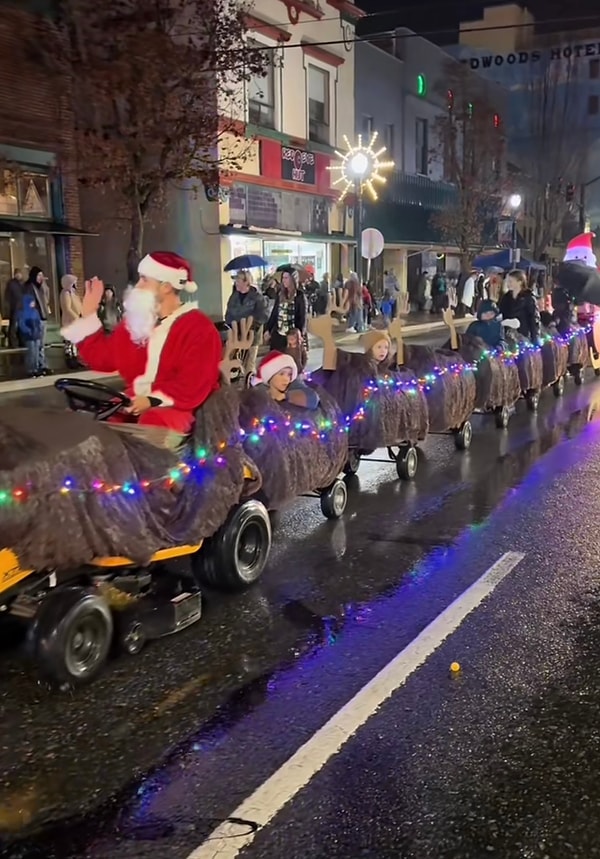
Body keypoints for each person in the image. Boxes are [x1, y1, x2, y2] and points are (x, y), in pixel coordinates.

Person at [60, 251, 221, 434]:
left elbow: (193, 384)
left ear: (166, 286)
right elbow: (104, 358)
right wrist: (88, 313)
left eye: (144, 280)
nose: (137, 286)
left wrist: (151, 400)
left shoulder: (198, 328)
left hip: (180, 406)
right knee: (94, 422)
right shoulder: (136, 324)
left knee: (152, 424)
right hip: (135, 399)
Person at [251, 350, 319, 410]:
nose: (286, 379)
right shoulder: (260, 390)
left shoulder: (293, 384)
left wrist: (285, 396)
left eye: (289, 374)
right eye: (281, 374)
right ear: (270, 376)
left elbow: (313, 399)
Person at [264, 268, 307, 352]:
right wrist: (268, 329)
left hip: (292, 336)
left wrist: (301, 334)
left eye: (286, 278)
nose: (284, 280)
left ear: (293, 279)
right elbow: (274, 314)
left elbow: (303, 317)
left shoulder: (299, 296)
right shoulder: (280, 294)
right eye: (283, 278)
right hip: (279, 335)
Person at [499, 269, 541, 344]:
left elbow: (534, 319)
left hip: (523, 335)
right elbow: (501, 313)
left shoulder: (528, 297)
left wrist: (535, 338)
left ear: (520, 282)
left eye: (511, 281)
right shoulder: (506, 297)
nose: (508, 284)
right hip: (507, 335)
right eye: (507, 281)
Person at [23, 266, 50, 375]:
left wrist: (43, 284)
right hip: (34, 319)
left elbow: (46, 298)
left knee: (41, 345)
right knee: (34, 345)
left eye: (42, 275)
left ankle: (42, 365)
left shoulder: (40, 288)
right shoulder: (29, 287)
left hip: (42, 318)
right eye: (39, 275)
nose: (41, 278)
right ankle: (33, 368)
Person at [15, 282, 43, 377]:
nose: (33, 303)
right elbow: (22, 324)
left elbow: (39, 322)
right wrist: (28, 331)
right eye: (31, 301)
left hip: (36, 334)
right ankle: (30, 369)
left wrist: (39, 330)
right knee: (31, 353)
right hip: (29, 335)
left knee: (36, 352)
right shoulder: (22, 312)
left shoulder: (35, 311)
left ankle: (36, 368)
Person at [59, 274, 83, 370]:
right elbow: (67, 308)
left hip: (75, 320)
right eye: (74, 283)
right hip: (69, 321)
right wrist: (75, 317)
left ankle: (75, 358)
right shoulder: (66, 293)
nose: (76, 284)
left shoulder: (73, 293)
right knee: (69, 342)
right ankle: (70, 360)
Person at [5, 268, 24, 348]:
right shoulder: (11, 283)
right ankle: (12, 343)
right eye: (17, 274)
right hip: (15, 307)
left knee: (21, 325)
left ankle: (20, 342)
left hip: (21, 307)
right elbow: (8, 296)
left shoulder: (22, 283)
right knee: (13, 326)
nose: (19, 275)